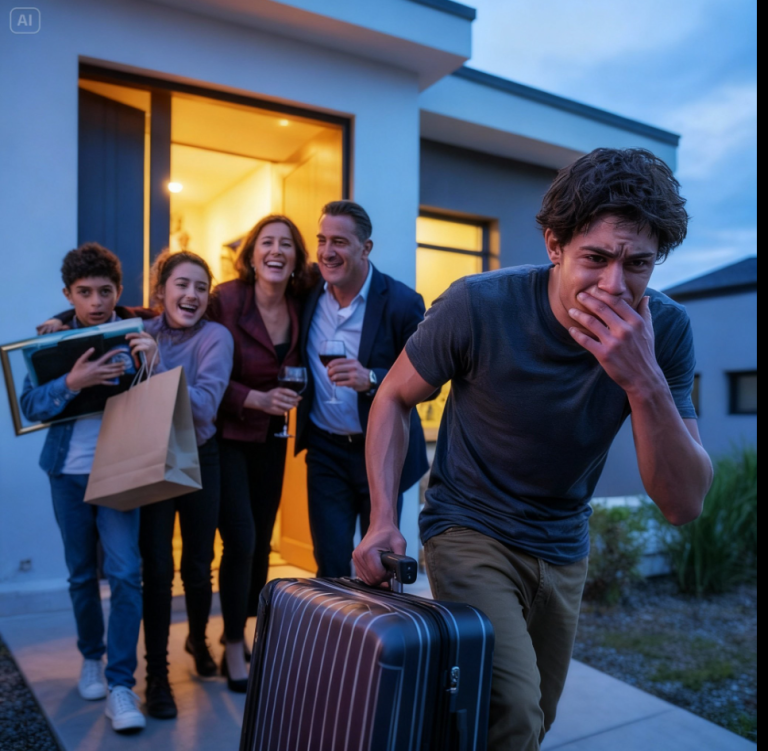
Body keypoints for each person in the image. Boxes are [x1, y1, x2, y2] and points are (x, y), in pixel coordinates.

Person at [353, 148, 714, 751]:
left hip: (564, 543)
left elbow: (682, 504)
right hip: (468, 526)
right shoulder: (479, 305)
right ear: (554, 244)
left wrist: (643, 379)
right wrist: (384, 519)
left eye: (638, 265)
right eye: (595, 258)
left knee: (525, 724)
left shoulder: (665, 332)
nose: (614, 286)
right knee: (512, 712)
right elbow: (391, 397)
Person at [20, 243, 158, 734]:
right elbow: (32, 407)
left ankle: (122, 683)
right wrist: (73, 381)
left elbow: (158, 406)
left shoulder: (139, 333)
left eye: (105, 291)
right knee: (81, 576)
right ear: (68, 295)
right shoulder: (49, 340)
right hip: (67, 473)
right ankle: (91, 659)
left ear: (119, 292)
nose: (96, 301)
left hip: (120, 471)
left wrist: (152, 364)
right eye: (84, 293)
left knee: (124, 574)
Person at [208, 214, 317, 691]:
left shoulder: (300, 302)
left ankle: (244, 629)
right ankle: (231, 644)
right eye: (267, 243)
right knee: (242, 540)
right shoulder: (225, 300)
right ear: (251, 254)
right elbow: (193, 352)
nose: (276, 251)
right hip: (227, 436)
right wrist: (252, 398)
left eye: (286, 244)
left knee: (259, 547)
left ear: (296, 258)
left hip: (273, 439)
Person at [295, 200, 430, 578]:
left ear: (365, 248)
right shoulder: (306, 292)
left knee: (379, 561)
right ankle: (338, 637)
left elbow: (429, 384)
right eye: (321, 240)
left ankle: (379, 636)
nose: (326, 251)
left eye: (338, 241)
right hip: (325, 451)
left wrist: (371, 378)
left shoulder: (402, 302)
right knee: (331, 563)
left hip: (382, 451)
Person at [138, 251, 234, 718]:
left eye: (201, 287)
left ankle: (197, 637)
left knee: (198, 564)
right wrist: (57, 323)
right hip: (151, 458)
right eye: (182, 284)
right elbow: (97, 317)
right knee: (155, 571)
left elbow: (203, 407)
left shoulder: (216, 337)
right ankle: (157, 675)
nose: (192, 295)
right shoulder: (142, 331)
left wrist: (157, 367)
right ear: (160, 291)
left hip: (200, 457)